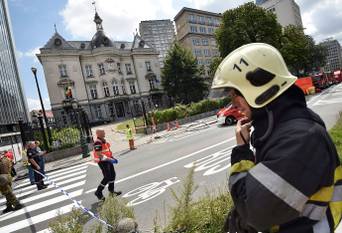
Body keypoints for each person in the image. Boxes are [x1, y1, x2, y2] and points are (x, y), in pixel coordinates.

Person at [211, 43, 342, 233]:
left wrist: (241, 154)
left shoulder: (300, 139)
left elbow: (253, 212)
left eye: (235, 94)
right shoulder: (283, 128)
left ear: (259, 88)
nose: (233, 103)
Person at [93, 129, 121, 201]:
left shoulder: (103, 141)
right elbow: (99, 154)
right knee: (107, 177)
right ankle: (98, 192)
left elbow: (107, 151)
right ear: (98, 134)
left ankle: (111, 192)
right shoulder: (97, 142)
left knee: (112, 175)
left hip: (108, 160)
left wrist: (112, 158)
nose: (104, 133)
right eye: (103, 132)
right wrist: (110, 159)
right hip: (102, 161)